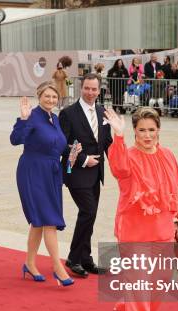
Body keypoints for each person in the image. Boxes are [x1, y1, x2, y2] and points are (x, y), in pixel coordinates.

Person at [105, 107, 178, 311]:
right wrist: (117, 136)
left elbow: (176, 189)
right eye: (141, 130)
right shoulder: (128, 156)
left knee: (161, 282)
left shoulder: (168, 155)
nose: (147, 135)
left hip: (163, 227)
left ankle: (127, 310)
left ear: (158, 130)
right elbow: (119, 169)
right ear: (134, 131)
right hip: (133, 229)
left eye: (151, 130)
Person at [10, 81, 81, 286]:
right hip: (32, 172)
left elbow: (58, 152)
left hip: (52, 174)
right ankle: (58, 267)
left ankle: (30, 263)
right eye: (47, 96)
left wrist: (71, 160)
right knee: (49, 219)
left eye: (54, 97)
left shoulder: (55, 118)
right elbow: (15, 140)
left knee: (40, 221)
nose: (51, 100)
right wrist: (22, 119)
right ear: (39, 96)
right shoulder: (31, 116)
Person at [59, 73, 113, 278]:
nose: (90, 93)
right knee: (88, 212)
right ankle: (74, 258)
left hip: (96, 172)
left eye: (94, 89)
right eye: (87, 88)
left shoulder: (102, 112)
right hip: (76, 171)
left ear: (99, 91)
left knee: (90, 215)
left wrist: (120, 162)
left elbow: (107, 142)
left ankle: (86, 259)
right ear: (81, 89)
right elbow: (62, 144)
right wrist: (82, 159)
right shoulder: (68, 113)